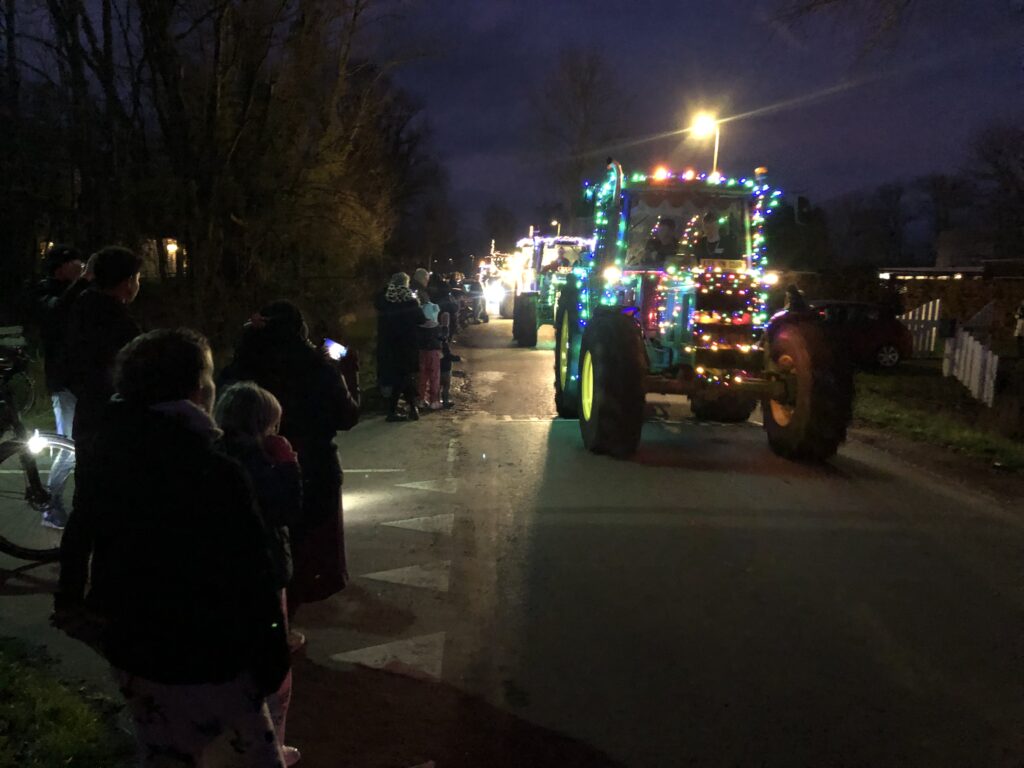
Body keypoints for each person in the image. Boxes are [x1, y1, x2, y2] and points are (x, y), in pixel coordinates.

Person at [55, 329, 289, 768]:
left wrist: (71, 601)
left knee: (165, 752)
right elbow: (254, 572)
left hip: (135, 642)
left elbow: (81, 528)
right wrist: (272, 654)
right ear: (198, 388)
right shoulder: (214, 469)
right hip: (210, 649)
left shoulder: (107, 450)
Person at [220, 300, 360, 613]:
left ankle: (275, 620)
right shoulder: (319, 368)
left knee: (264, 549)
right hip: (314, 467)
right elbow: (347, 417)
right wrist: (349, 373)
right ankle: (285, 625)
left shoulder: (239, 367)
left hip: (250, 469)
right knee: (305, 548)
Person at [215, 382, 303, 766]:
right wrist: (288, 466)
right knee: (274, 678)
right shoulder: (258, 462)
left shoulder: (212, 454)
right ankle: (271, 750)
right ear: (262, 424)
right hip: (264, 576)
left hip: (223, 577)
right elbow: (284, 510)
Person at [30, 245, 87, 528]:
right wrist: (81, 283)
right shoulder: (46, 292)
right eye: (73, 261)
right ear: (60, 267)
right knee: (68, 447)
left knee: (82, 445)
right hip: (63, 382)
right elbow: (55, 312)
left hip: (81, 381)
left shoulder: (75, 294)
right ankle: (50, 509)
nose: (79, 264)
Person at [64, 246, 142, 450]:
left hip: (86, 418)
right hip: (115, 425)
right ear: (128, 282)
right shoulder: (119, 322)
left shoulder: (81, 308)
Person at [375, 273, 425, 422]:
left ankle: (401, 409)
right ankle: (409, 408)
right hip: (406, 344)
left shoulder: (384, 299)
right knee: (404, 376)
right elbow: (420, 319)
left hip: (388, 344)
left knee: (398, 376)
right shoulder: (410, 300)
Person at [417, 302, 443, 410]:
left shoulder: (418, 327)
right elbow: (441, 339)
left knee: (422, 377)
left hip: (421, 352)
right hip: (433, 353)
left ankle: (421, 400)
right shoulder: (436, 327)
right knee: (434, 377)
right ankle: (434, 401)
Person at [439, 311, 460, 409]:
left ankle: (437, 400)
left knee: (438, 385)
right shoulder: (443, 341)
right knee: (446, 385)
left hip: (439, 365)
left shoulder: (438, 331)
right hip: (445, 367)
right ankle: (445, 401)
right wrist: (458, 358)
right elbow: (447, 355)